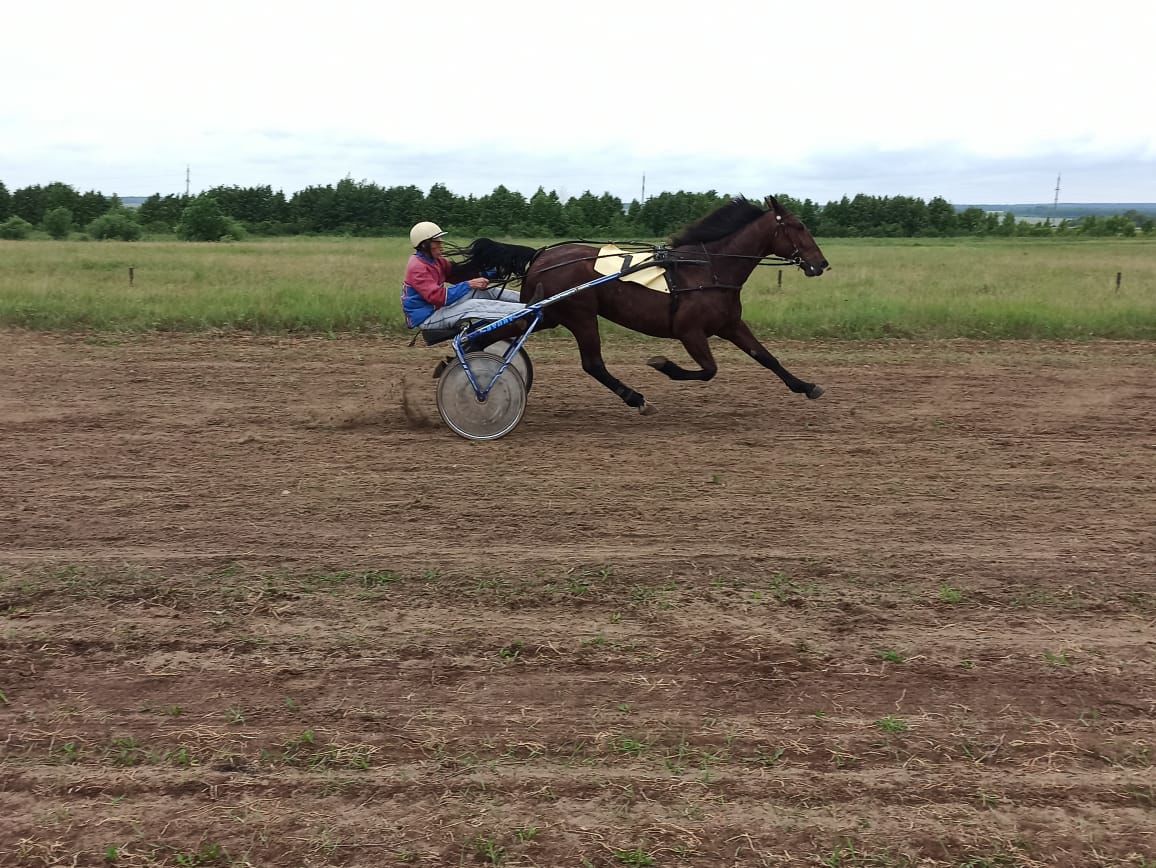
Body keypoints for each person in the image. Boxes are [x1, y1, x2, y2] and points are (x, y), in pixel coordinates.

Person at [401, 221, 525, 331]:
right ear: (424, 245)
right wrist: (469, 284)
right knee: (472, 306)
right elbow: (438, 297)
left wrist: (489, 272)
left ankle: (526, 298)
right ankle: (524, 311)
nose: (441, 243)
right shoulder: (417, 267)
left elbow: (458, 275)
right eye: (436, 241)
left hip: (437, 309)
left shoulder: (436, 261)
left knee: (482, 291)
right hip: (426, 317)